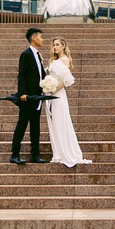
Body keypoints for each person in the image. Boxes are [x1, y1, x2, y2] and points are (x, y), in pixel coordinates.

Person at [43, 37, 91, 169]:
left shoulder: (65, 60)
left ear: (63, 46)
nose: (55, 47)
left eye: (57, 44)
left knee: (60, 122)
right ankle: (57, 152)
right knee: (54, 123)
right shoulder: (54, 61)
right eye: (54, 45)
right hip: (50, 95)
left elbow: (66, 81)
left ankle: (65, 153)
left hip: (58, 95)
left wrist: (52, 89)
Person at [8, 27, 47, 165]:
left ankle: (35, 155)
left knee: (35, 126)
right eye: (41, 37)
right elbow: (22, 75)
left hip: (38, 97)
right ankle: (15, 154)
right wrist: (23, 93)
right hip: (27, 97)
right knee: (22, 124)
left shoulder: (38, 55)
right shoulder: (26, 54)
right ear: (33, 38)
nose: (43, 40)